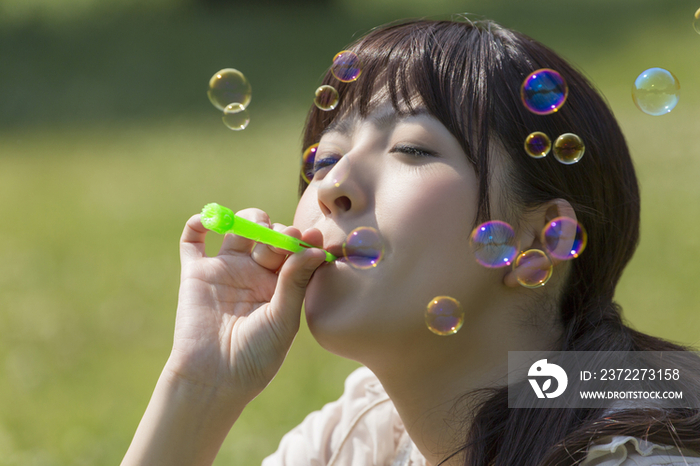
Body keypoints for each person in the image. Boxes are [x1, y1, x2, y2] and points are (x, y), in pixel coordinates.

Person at [121, 18, 700, 466]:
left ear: (538, 242)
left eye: (412, 149)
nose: (333, 186)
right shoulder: (357, 437)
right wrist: (200, 387)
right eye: (325, 157)